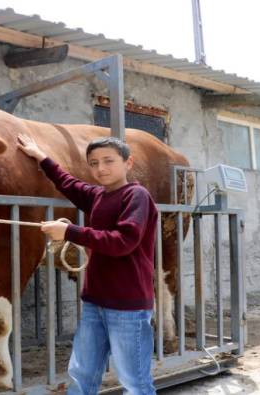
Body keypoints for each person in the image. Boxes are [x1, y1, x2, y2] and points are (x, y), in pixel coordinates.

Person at [17, 134, 158, 395]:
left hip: (128, 306)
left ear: (128, 163)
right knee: (82, 375)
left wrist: (69, 232)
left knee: (135, 382)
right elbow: (68, 183)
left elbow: (123, 241)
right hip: (95, 302)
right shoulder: (98, 196)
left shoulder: (137, 196)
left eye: (108, 161)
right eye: (93, 163)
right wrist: (41, 157)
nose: (100, 168)